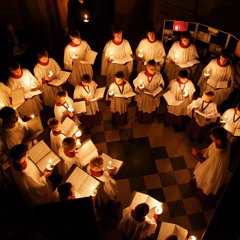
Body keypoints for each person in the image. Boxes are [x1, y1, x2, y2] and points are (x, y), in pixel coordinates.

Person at [191, 126, 231, 200]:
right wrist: (207, 149)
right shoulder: (225, 141)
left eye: (212, 136)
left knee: (208, 178)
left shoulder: (218, 156)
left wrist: (196, 155)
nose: (210, 137)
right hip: (215, 161)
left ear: (218, 140)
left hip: (213, 166)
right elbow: (214, 147)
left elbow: (205, 164)